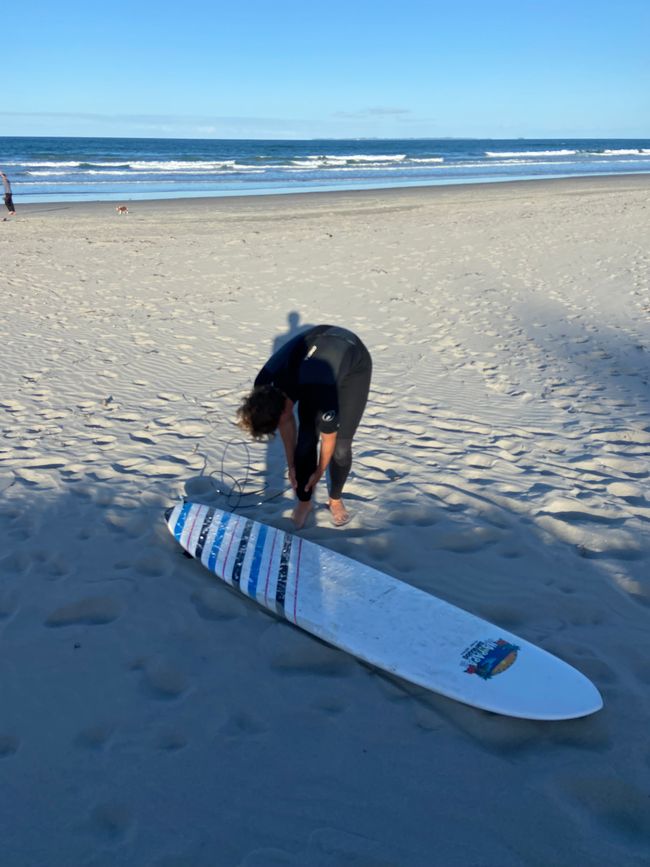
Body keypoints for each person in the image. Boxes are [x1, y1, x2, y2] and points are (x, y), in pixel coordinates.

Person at [238, 325, 372, 529]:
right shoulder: (263, 383)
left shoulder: (321, 389)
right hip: (315, 346)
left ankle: (335, 499)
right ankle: (304, 502)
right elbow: (286, 422)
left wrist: (319, 470)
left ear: (283, 410)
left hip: (353, 360)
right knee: (306, 441)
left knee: (341, 449)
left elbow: (329, 437)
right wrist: (291, 465)